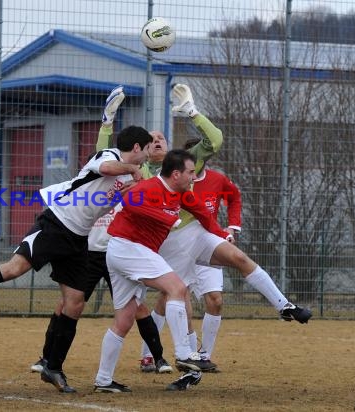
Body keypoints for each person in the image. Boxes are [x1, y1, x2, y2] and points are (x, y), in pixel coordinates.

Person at [100, 84, 312, 374]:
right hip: (164, 244)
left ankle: (283, 305)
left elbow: (214, 141)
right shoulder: (144, 175)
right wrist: (107, 123)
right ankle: (169, 354)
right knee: (174, 297)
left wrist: (192, 112)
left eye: (162, 137)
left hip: (194, 234)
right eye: (152, 140)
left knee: (237, 259)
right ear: (144, 150)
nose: (157, 141)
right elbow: (111, 169)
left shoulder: (182, 166)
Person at [0, 125, 152, 392]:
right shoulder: (108, 156)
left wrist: (136, 187)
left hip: (77, 238)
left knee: (75, 303)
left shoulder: (127, 178)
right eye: (146, 151)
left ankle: (53, 367)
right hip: (56, 223)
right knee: (14, 268)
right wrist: (131, 170)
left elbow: (114, 196)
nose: (146, 158)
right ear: (136, 148)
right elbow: (106, 169)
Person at [93, 149, 231, 393]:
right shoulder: (150, 187)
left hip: (127, 251)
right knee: (176, 288)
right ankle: (184, 353)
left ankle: (103, 380)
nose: (193, 177)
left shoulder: (182, 195)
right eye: (190, 172)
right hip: (128, 247)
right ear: (176, 174)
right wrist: (166, 218)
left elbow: (206, 218)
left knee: (124, 320)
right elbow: (129, 203)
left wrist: (224, 235)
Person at [30, 206, 173, 375]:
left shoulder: (128, 192)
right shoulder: (90, 192)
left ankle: (159, 358)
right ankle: (46, 358)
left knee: (137, 306)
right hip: (88, 254)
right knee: (66, 304)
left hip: (117, 253)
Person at [140, 137, 242, 372]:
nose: (193, 166)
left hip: (206, 245)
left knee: (215, 299)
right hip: (179, 246)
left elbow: (234, 197)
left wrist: (232, 227)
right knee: (171, 297)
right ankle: (150, 354)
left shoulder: (216, 179)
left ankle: (203, 356)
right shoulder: (172, 182)